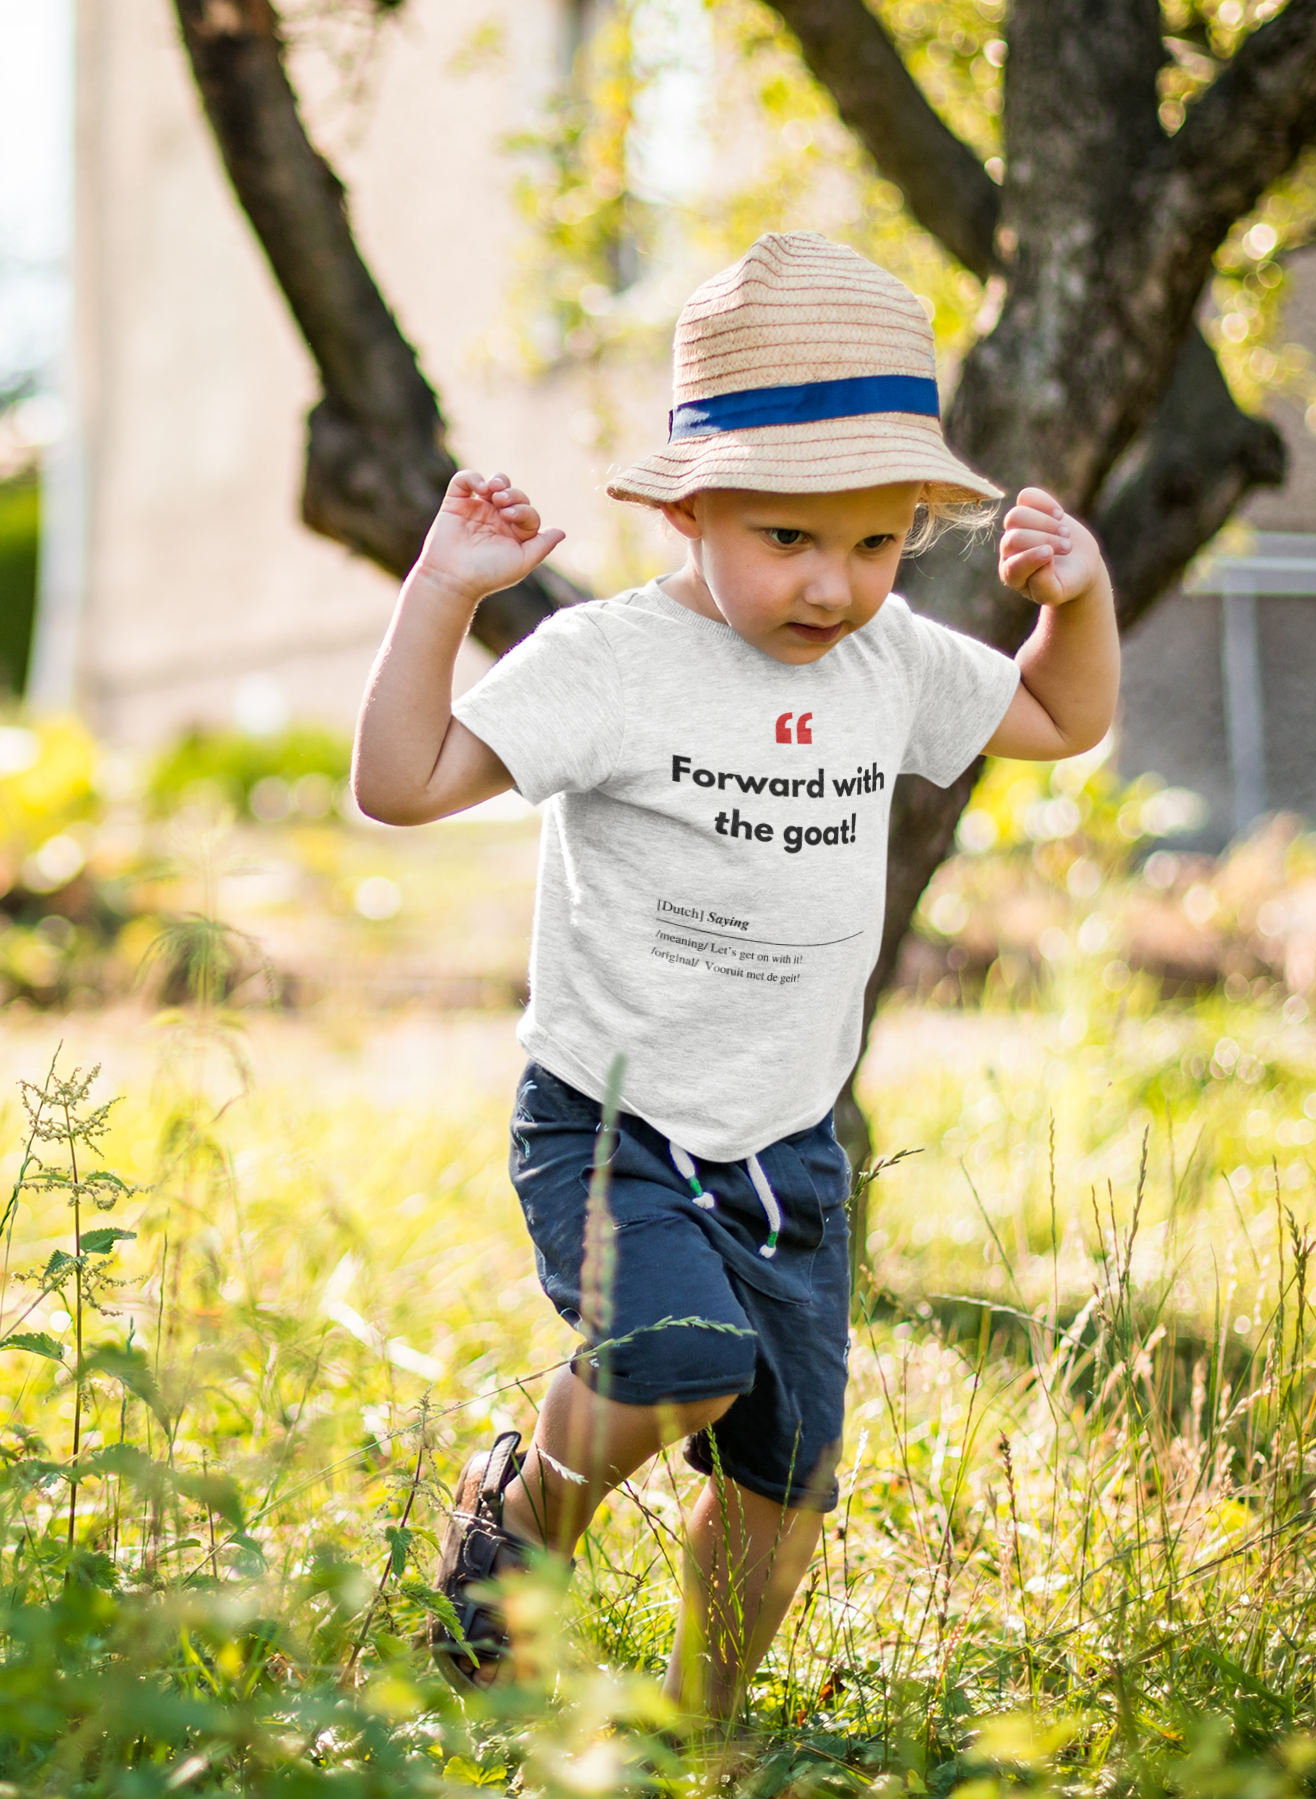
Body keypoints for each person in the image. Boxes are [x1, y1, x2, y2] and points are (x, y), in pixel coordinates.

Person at [351, 231, 1119, 1719]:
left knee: (785, 1487)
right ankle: (515, 1524)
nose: (837, 584)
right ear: (691, 505)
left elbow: (1054, 718)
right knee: (675, 1358)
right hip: (615, 1119)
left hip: (791, 1152)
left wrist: (1074, 603)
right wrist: (443, 591)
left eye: (878, 540)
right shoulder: (611, 660)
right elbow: (403, 778)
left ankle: (704, 1748)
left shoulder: (887, 657)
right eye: (788, 539)